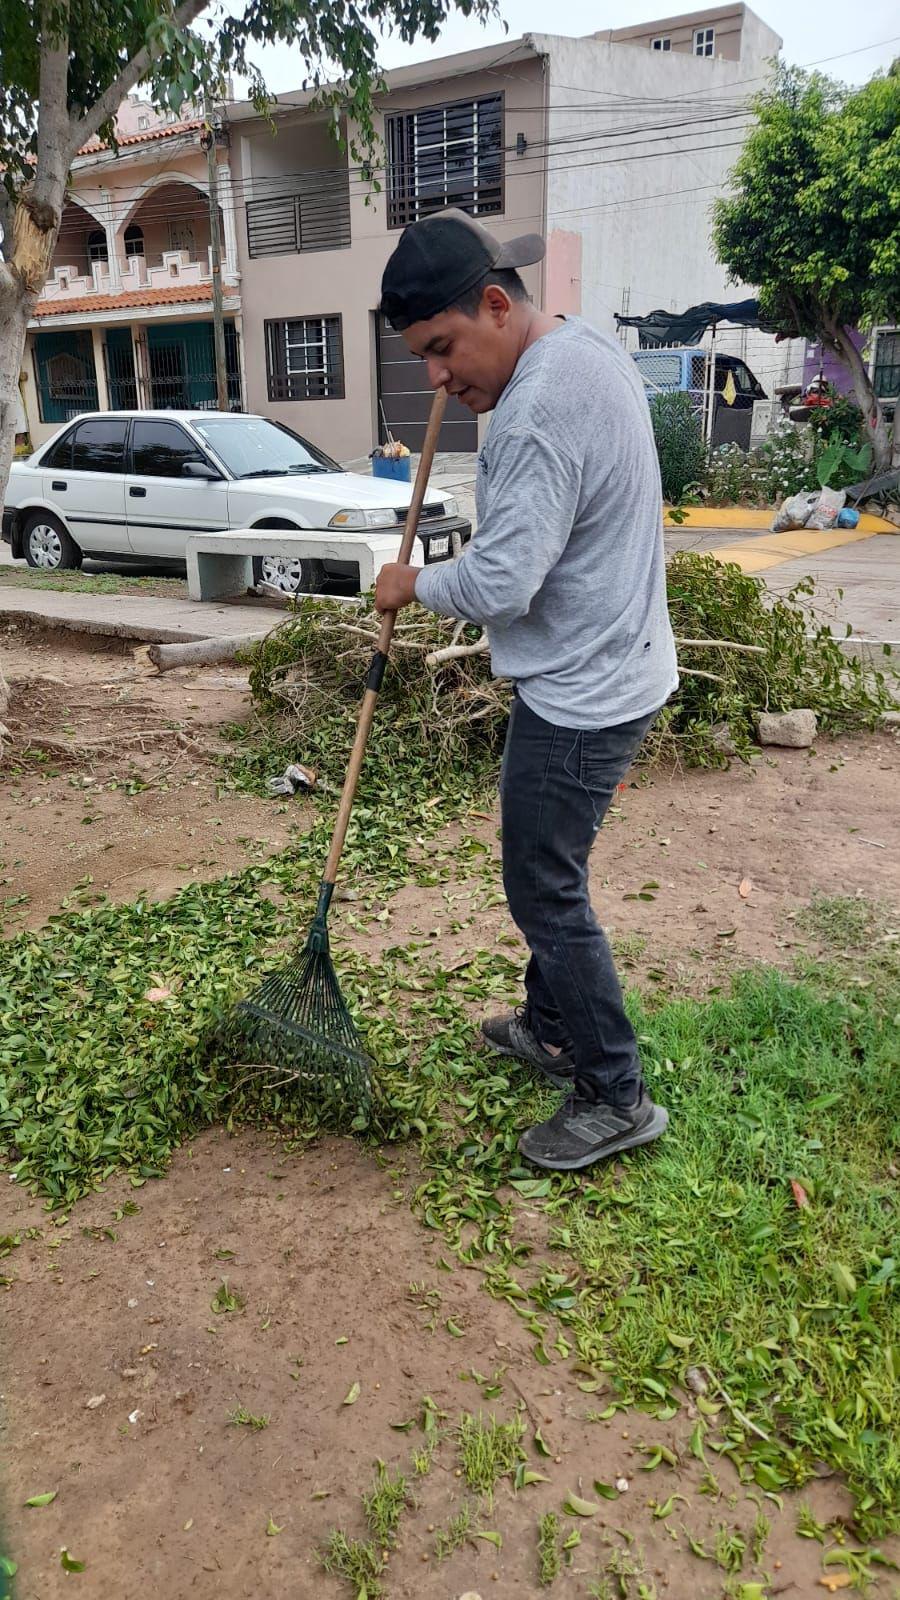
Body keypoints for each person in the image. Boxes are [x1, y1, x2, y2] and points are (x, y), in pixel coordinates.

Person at [374, 208, 678, 1172]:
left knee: (543, 888)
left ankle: (614, 1091)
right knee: (547, 866)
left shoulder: (539, 407)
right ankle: (551, 1028)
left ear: (497, 305)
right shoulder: (577, 352)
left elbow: (502, 582)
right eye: (424, 355)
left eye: (443, 348)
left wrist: (412, 582)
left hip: (586, 689)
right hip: (607, 662)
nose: (436, 376)